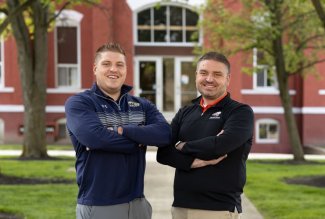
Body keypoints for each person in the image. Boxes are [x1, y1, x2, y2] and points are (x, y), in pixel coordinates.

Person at [65, 42, 171, 219]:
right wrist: (142, 140)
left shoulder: (142, 105)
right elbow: (95, 139)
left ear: (126, 70)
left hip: (139, 205)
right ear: (95, 68)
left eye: (119, 64)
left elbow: (165, 134)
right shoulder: (80, 103)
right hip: (100, 205)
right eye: (106, 64)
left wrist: (122, 131)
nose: (113, 69)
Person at [157, 51, 254, 219]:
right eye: (204, 73)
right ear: (196, 76)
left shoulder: (239, 112)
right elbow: (163, 153)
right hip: (180, 207)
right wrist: (193, 162)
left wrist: (183, 146)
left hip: (217, 209)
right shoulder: (185, 111)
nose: (209, 79)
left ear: (227, 79)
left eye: (217, 74)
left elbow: (220, 146)